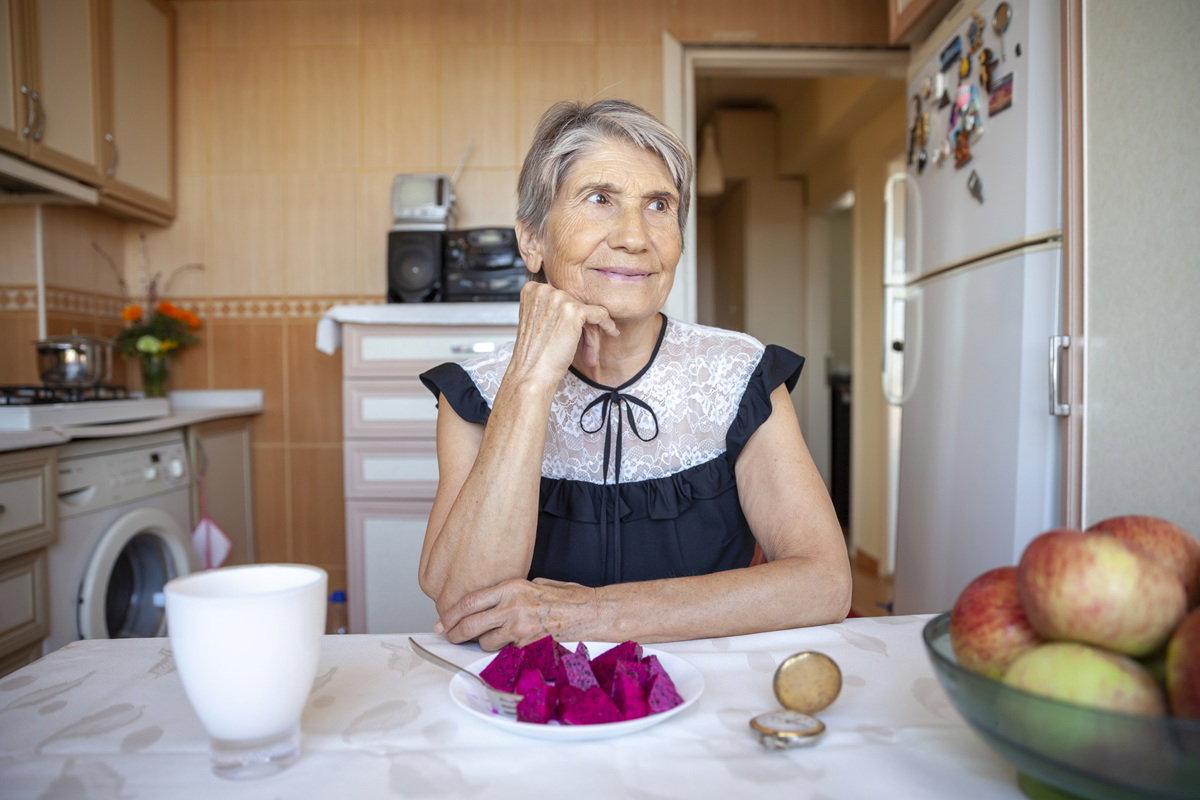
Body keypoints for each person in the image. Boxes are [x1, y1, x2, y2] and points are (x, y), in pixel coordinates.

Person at [419, 99, 851, 650]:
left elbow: (825, 584)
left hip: (705, 698)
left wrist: (589, 614)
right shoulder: (474, 392)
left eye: (658, 205)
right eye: (599, 199)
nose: (634, 236)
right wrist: (529, 382)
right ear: (532, 239)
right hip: (531, 708)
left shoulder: (738, 373)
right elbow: (464, 603)